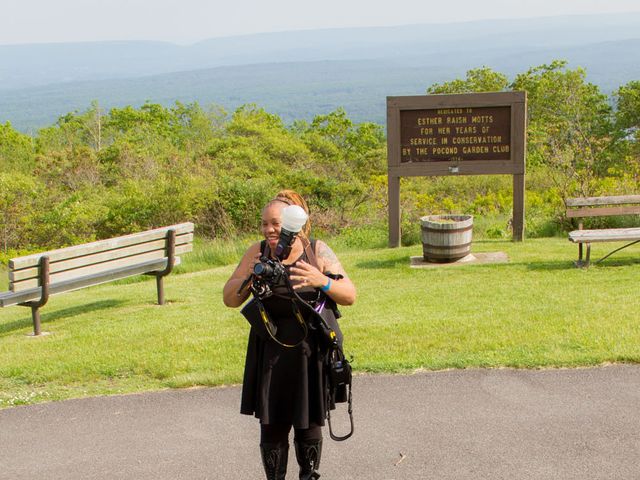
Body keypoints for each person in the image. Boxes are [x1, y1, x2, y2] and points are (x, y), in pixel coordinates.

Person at [223, 189, 356, 480]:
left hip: (309, 352)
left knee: (309, 424)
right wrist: (250, 279)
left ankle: (309, 475)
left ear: (294, 223)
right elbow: (230, 299)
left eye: (275, 223)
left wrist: (321, 280)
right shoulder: (257, 252)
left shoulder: (316, 250)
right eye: (264, 223)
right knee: (272, 427)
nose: (269, 230)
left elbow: (349, 295)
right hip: (270, 350)